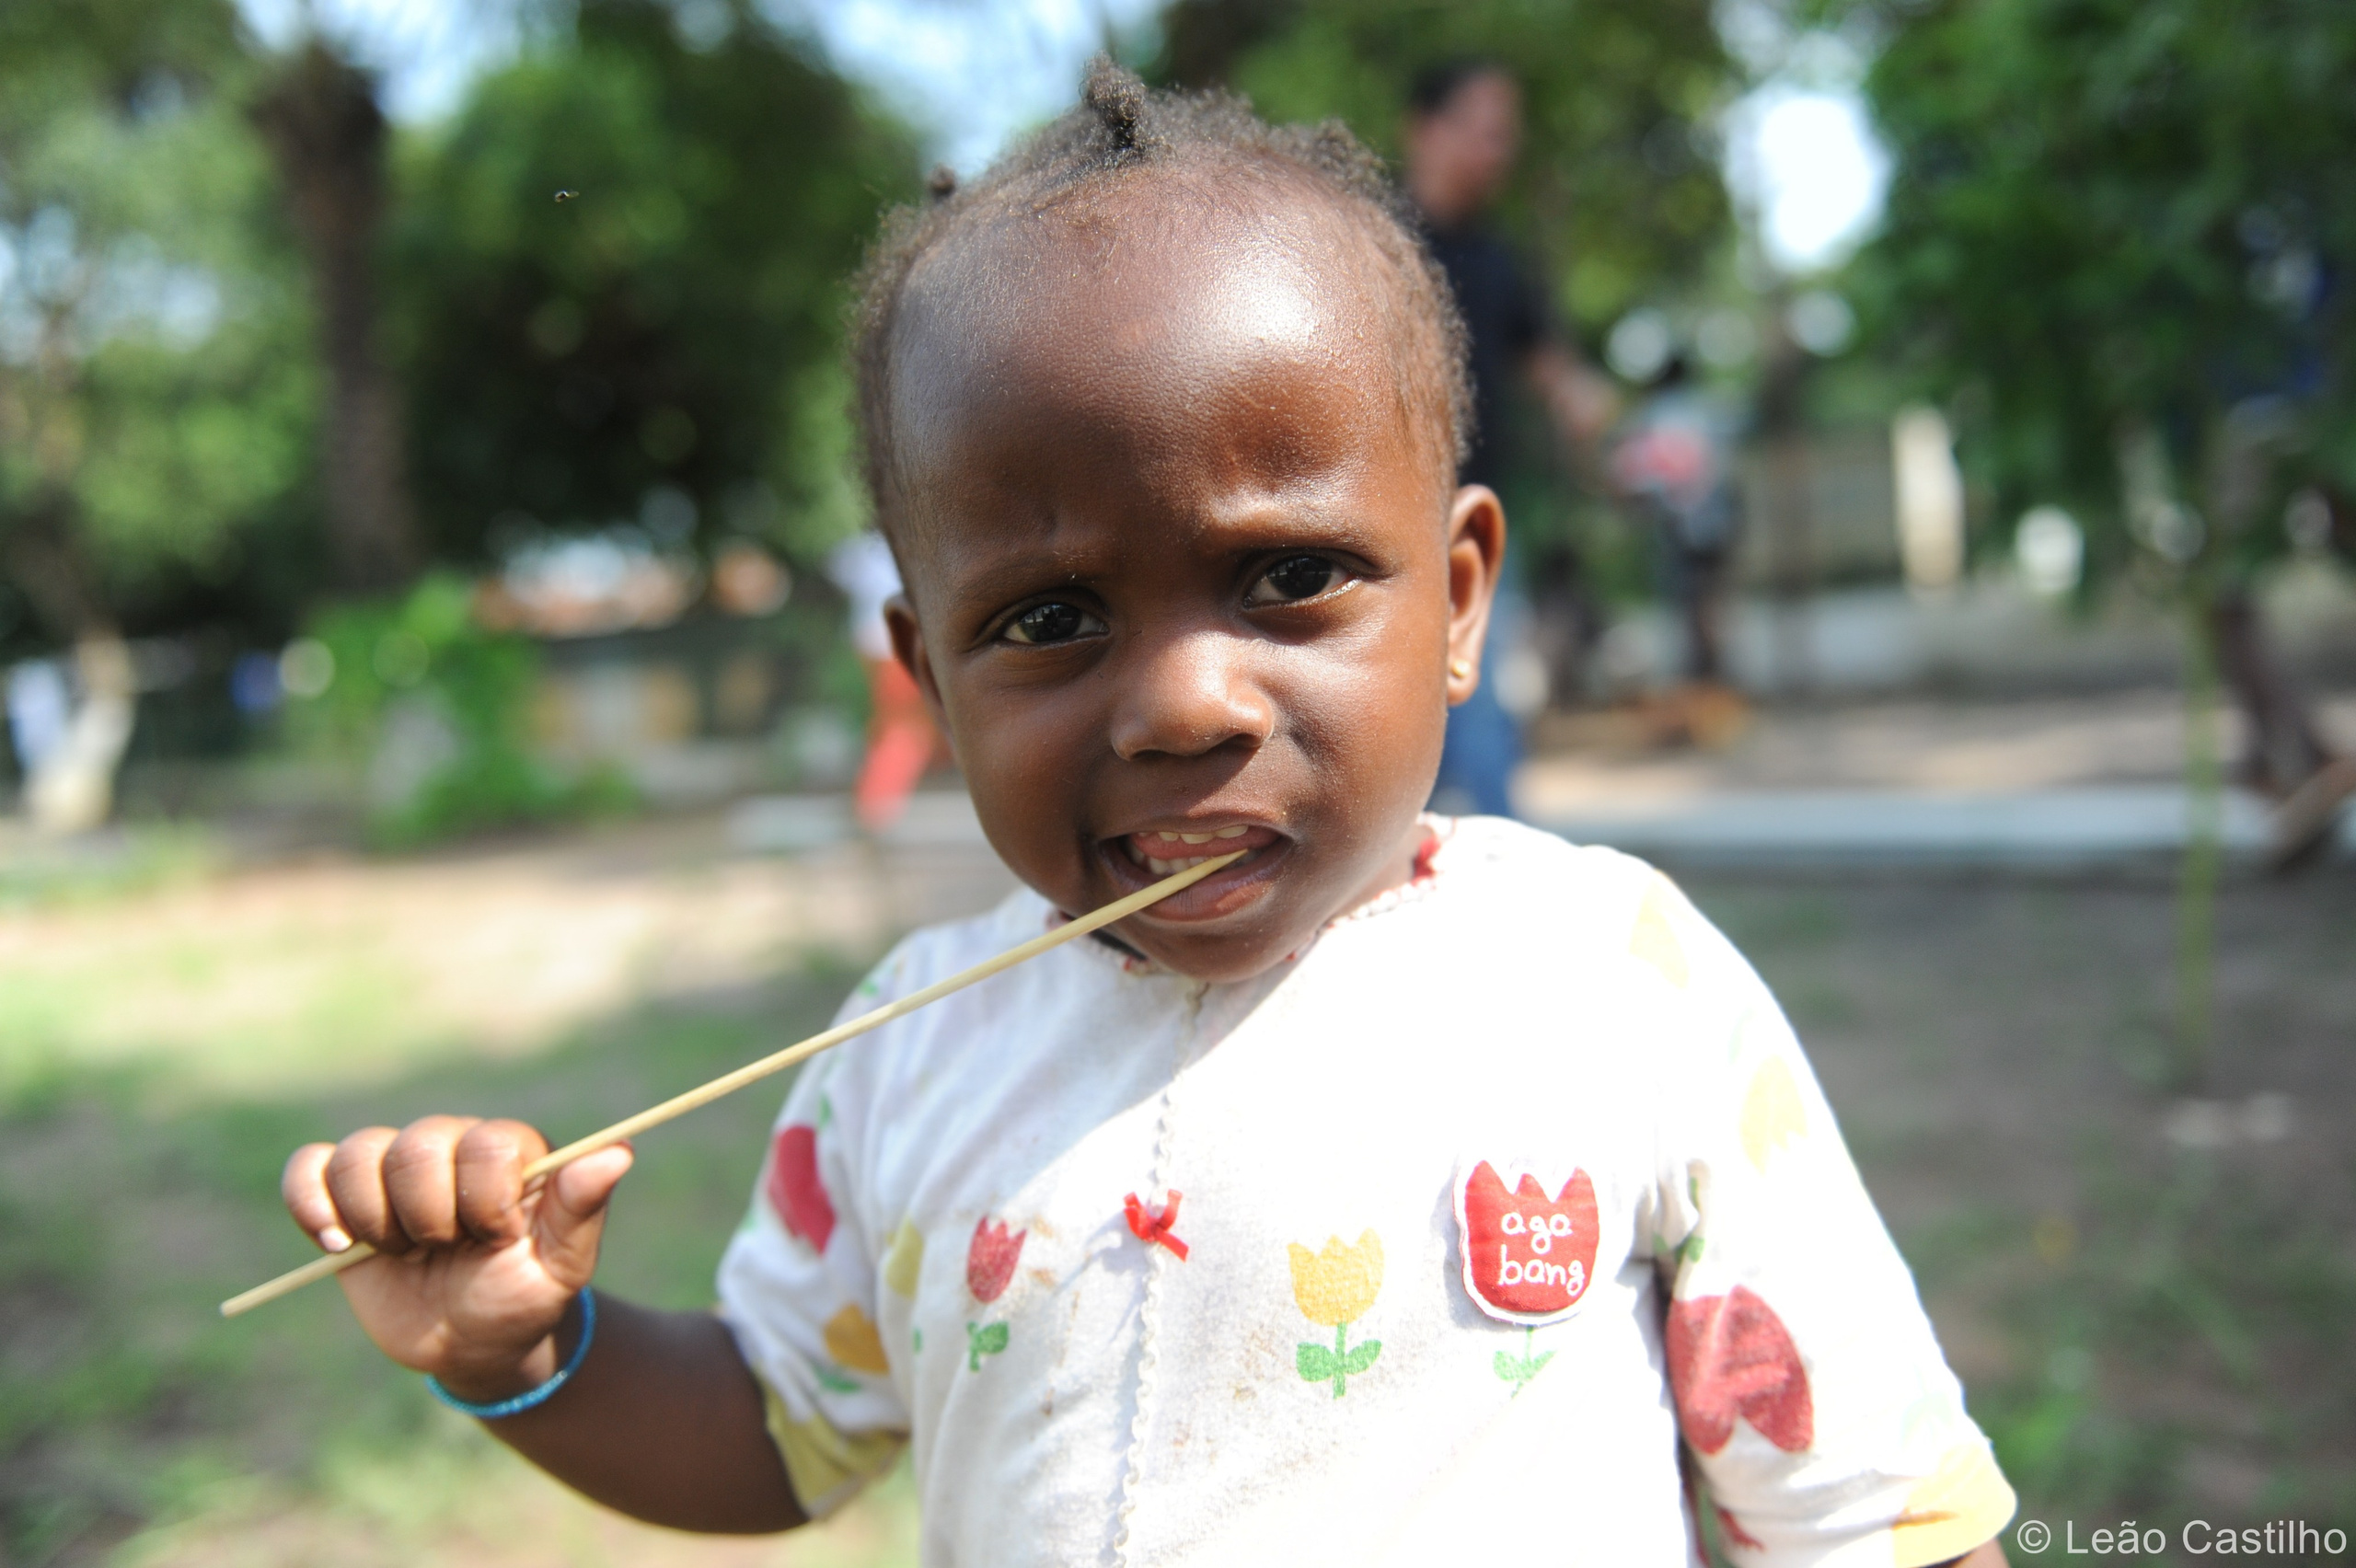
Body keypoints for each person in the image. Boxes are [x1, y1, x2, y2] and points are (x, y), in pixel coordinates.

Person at [278, 65, 2014, 1566]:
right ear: (929, 669)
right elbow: (777, 1425)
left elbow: (1878, 1507)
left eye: (1290, 575)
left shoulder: (1616, 987)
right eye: (1046, 618)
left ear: (1463, 594)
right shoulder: (901, 1053)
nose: (1188, 702)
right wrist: (526, 1352)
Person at [1404, 60, 1616, 817]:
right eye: (1487, 131)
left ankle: (1486, 879)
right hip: (1389, 518)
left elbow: (1547, 361)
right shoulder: (1373, 242)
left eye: (1507, 136)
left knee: (1481, 699)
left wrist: (1586, 402)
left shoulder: (1498, 258)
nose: (1501, 151)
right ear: (1428, 129)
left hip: (1478, 520)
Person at [1612, 351, 1744, 686]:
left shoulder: (1653, 417)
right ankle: (1715, 673)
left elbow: (1637, 477)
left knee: (1688, 606)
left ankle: (1700, 676)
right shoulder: (1708, 412)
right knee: (1714, 603)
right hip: (1718, 525)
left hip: (1679, 528)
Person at [827, 529, 941, 830]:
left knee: (904, 724)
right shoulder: (907, 541)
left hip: (872, 642)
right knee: (905, 727)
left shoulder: (861, 548)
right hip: (892, 645)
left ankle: (877, 802)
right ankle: (876, 805)